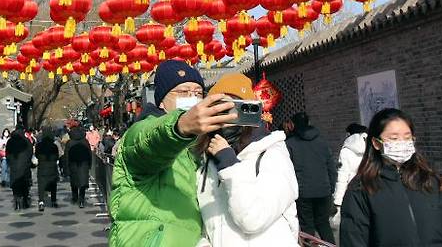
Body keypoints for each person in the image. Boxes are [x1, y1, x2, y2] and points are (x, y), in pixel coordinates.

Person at [109, 60, 237, 247]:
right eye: (183, 92)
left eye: (198, 93)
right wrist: (180, 127)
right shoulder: (145, 131)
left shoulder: (201, 143)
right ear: (161, 101)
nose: (192, 97)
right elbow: (149, 142)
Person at [195, 73, 299, 246]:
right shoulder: (206, 158)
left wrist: (229, 163)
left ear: (249, 111)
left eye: (236, 106)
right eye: (220, 107)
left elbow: (252, 219)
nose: (228, 115)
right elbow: (205, 225)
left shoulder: (271, 153)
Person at [340, 108, 442, 246]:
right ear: (376, 143)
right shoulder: (362, 189)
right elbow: (354, 240)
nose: (402, 143)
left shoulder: (428, 180)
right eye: (394, 138)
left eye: (407, 137)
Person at [285, 111, 337, 243]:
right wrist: (330, 188)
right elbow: (331, 167)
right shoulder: (322, 141)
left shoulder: (290, 144)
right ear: (309, 123)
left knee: (307, 227)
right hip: (323, 190)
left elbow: (288, 171)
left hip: (303, 192)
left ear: (292, 125)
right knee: (324, 225)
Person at [330, 123, 367, 228]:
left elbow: (342, 177)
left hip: (353, 192)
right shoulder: (372, 146)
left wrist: (337, 201)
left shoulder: (346, 151)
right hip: (372, 188)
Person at [5, 123, 33, 210]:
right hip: (25, 167)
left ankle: (17, 202)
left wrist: (10, 162)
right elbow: (30, 152)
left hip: (14, 167)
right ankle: (25, 201)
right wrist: (28, 162)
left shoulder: (10, 141)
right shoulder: (27, 141)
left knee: (15, 185)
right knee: (25, 185)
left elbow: (7, 154)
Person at [66, 124, 92, 207]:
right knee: (82, 183)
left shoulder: (69, 142)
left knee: (74, 181)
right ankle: (81, 200)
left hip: (73, 164)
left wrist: (66, 167)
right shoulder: (85, 142)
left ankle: (75, 197)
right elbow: (89, 154)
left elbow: (66, 155)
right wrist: (89, 164)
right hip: (84, 165)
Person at [35, 130, 60, 211]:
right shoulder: (54, 146)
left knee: (41, 185)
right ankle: (53, 200)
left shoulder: (39, 145)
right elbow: (57, 156)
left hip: (42, 167)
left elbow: (37, 155)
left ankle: (41, 201)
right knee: (53, 184)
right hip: (52, 167)